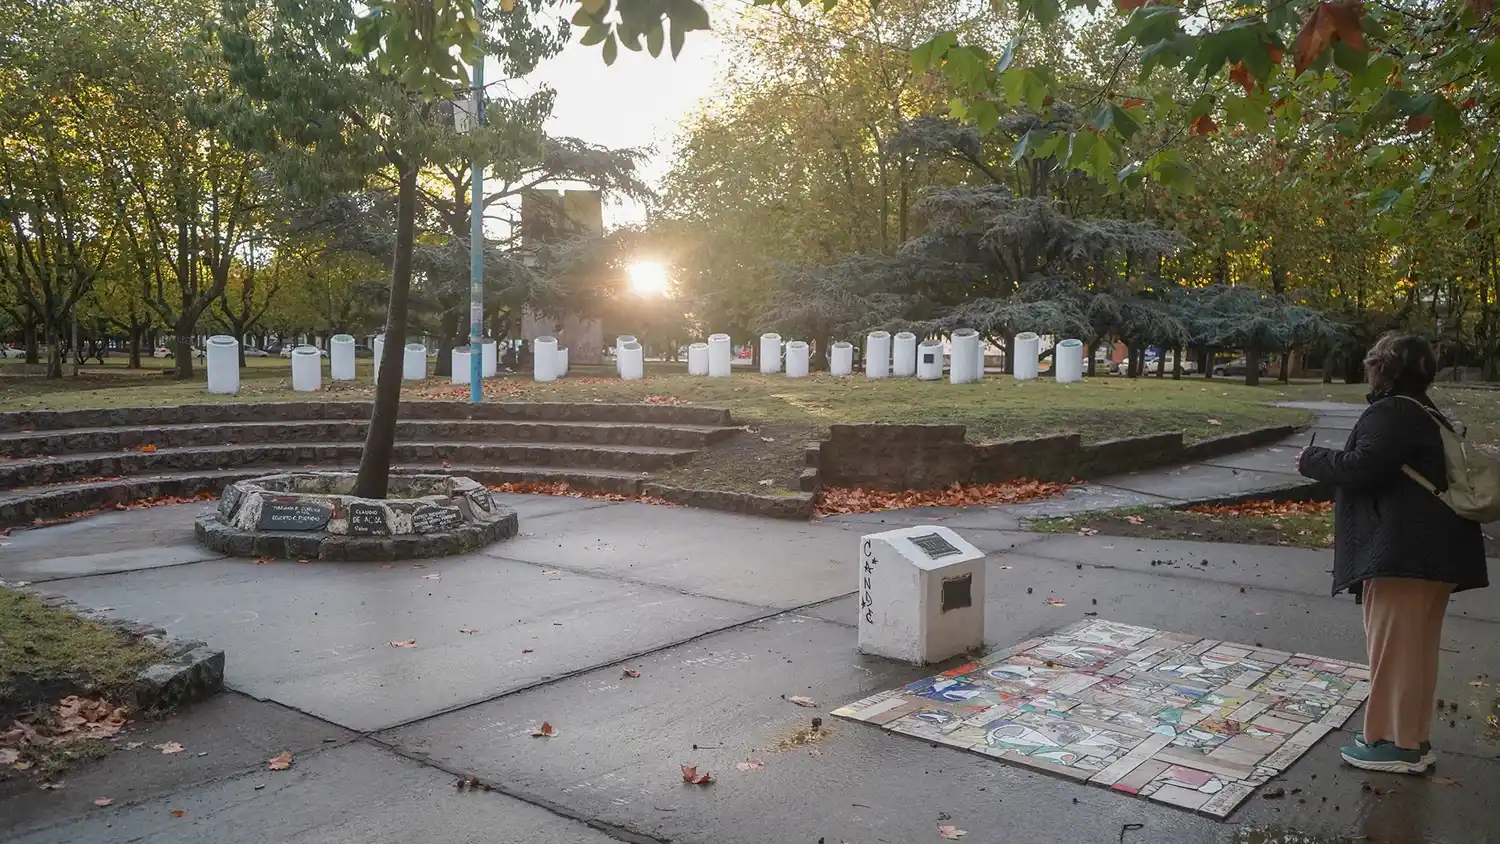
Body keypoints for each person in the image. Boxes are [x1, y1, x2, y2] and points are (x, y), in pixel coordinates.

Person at [1297, 332, 1488, 774]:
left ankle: (1391, 743)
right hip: (1430, 552)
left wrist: (1312, 460)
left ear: (1383, 368)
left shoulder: (1393, 411)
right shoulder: (1425, 410)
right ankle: (1413, 739)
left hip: (1403, 552)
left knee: (1393, 651)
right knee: (1415, 649)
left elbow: (1363, 466)